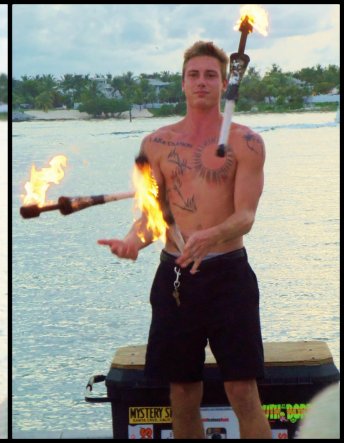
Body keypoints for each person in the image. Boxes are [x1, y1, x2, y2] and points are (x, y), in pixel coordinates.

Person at [98, 41, 269, 439]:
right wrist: (131, 242)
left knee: (243, 391)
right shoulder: (154, 145)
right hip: (176, 280)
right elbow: (152, 218)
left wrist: (211, 235)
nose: (202, 82)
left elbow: (246, 217)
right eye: (194, 75)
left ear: (225, 83)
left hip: (229, 277)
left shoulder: (248, 143)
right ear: (183, 83)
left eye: (211, 75)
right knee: (182, 393)